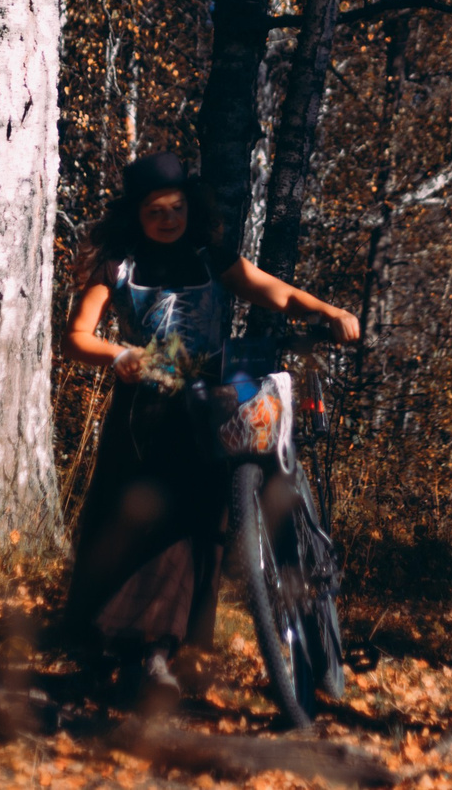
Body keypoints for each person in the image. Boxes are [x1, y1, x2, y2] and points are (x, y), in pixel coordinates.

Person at [58, 151, 361, 700]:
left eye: (176, 208)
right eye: (155, 211)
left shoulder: (209, 258)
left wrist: (328, 312)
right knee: (130, 526)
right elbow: (76, 337)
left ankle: (159, 652)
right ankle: (112, 651)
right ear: (136, 214)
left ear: (189, 206)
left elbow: (276, 291)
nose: (168, 219)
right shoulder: (118, 267)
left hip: (213, 411)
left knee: (194, 528)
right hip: (143, 418)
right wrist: (119, 355)